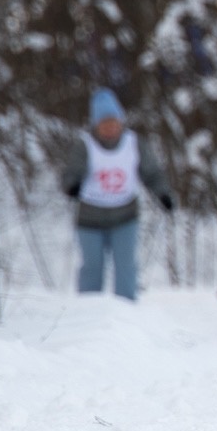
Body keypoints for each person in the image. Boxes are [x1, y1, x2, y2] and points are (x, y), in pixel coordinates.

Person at [59, 89, 172, 300]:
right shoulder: (85, 145)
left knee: (126, 267)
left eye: (113, 122)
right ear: (96, 125)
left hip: (125, 215)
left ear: (120, 121)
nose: (110, 128)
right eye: (104, 123)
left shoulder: (134, 143)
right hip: (90, 218)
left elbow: (152, 173)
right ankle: (88, 314)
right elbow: (71, 173)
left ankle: (126, 315)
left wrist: (163, 195)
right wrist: (72, 186)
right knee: (92, 269)